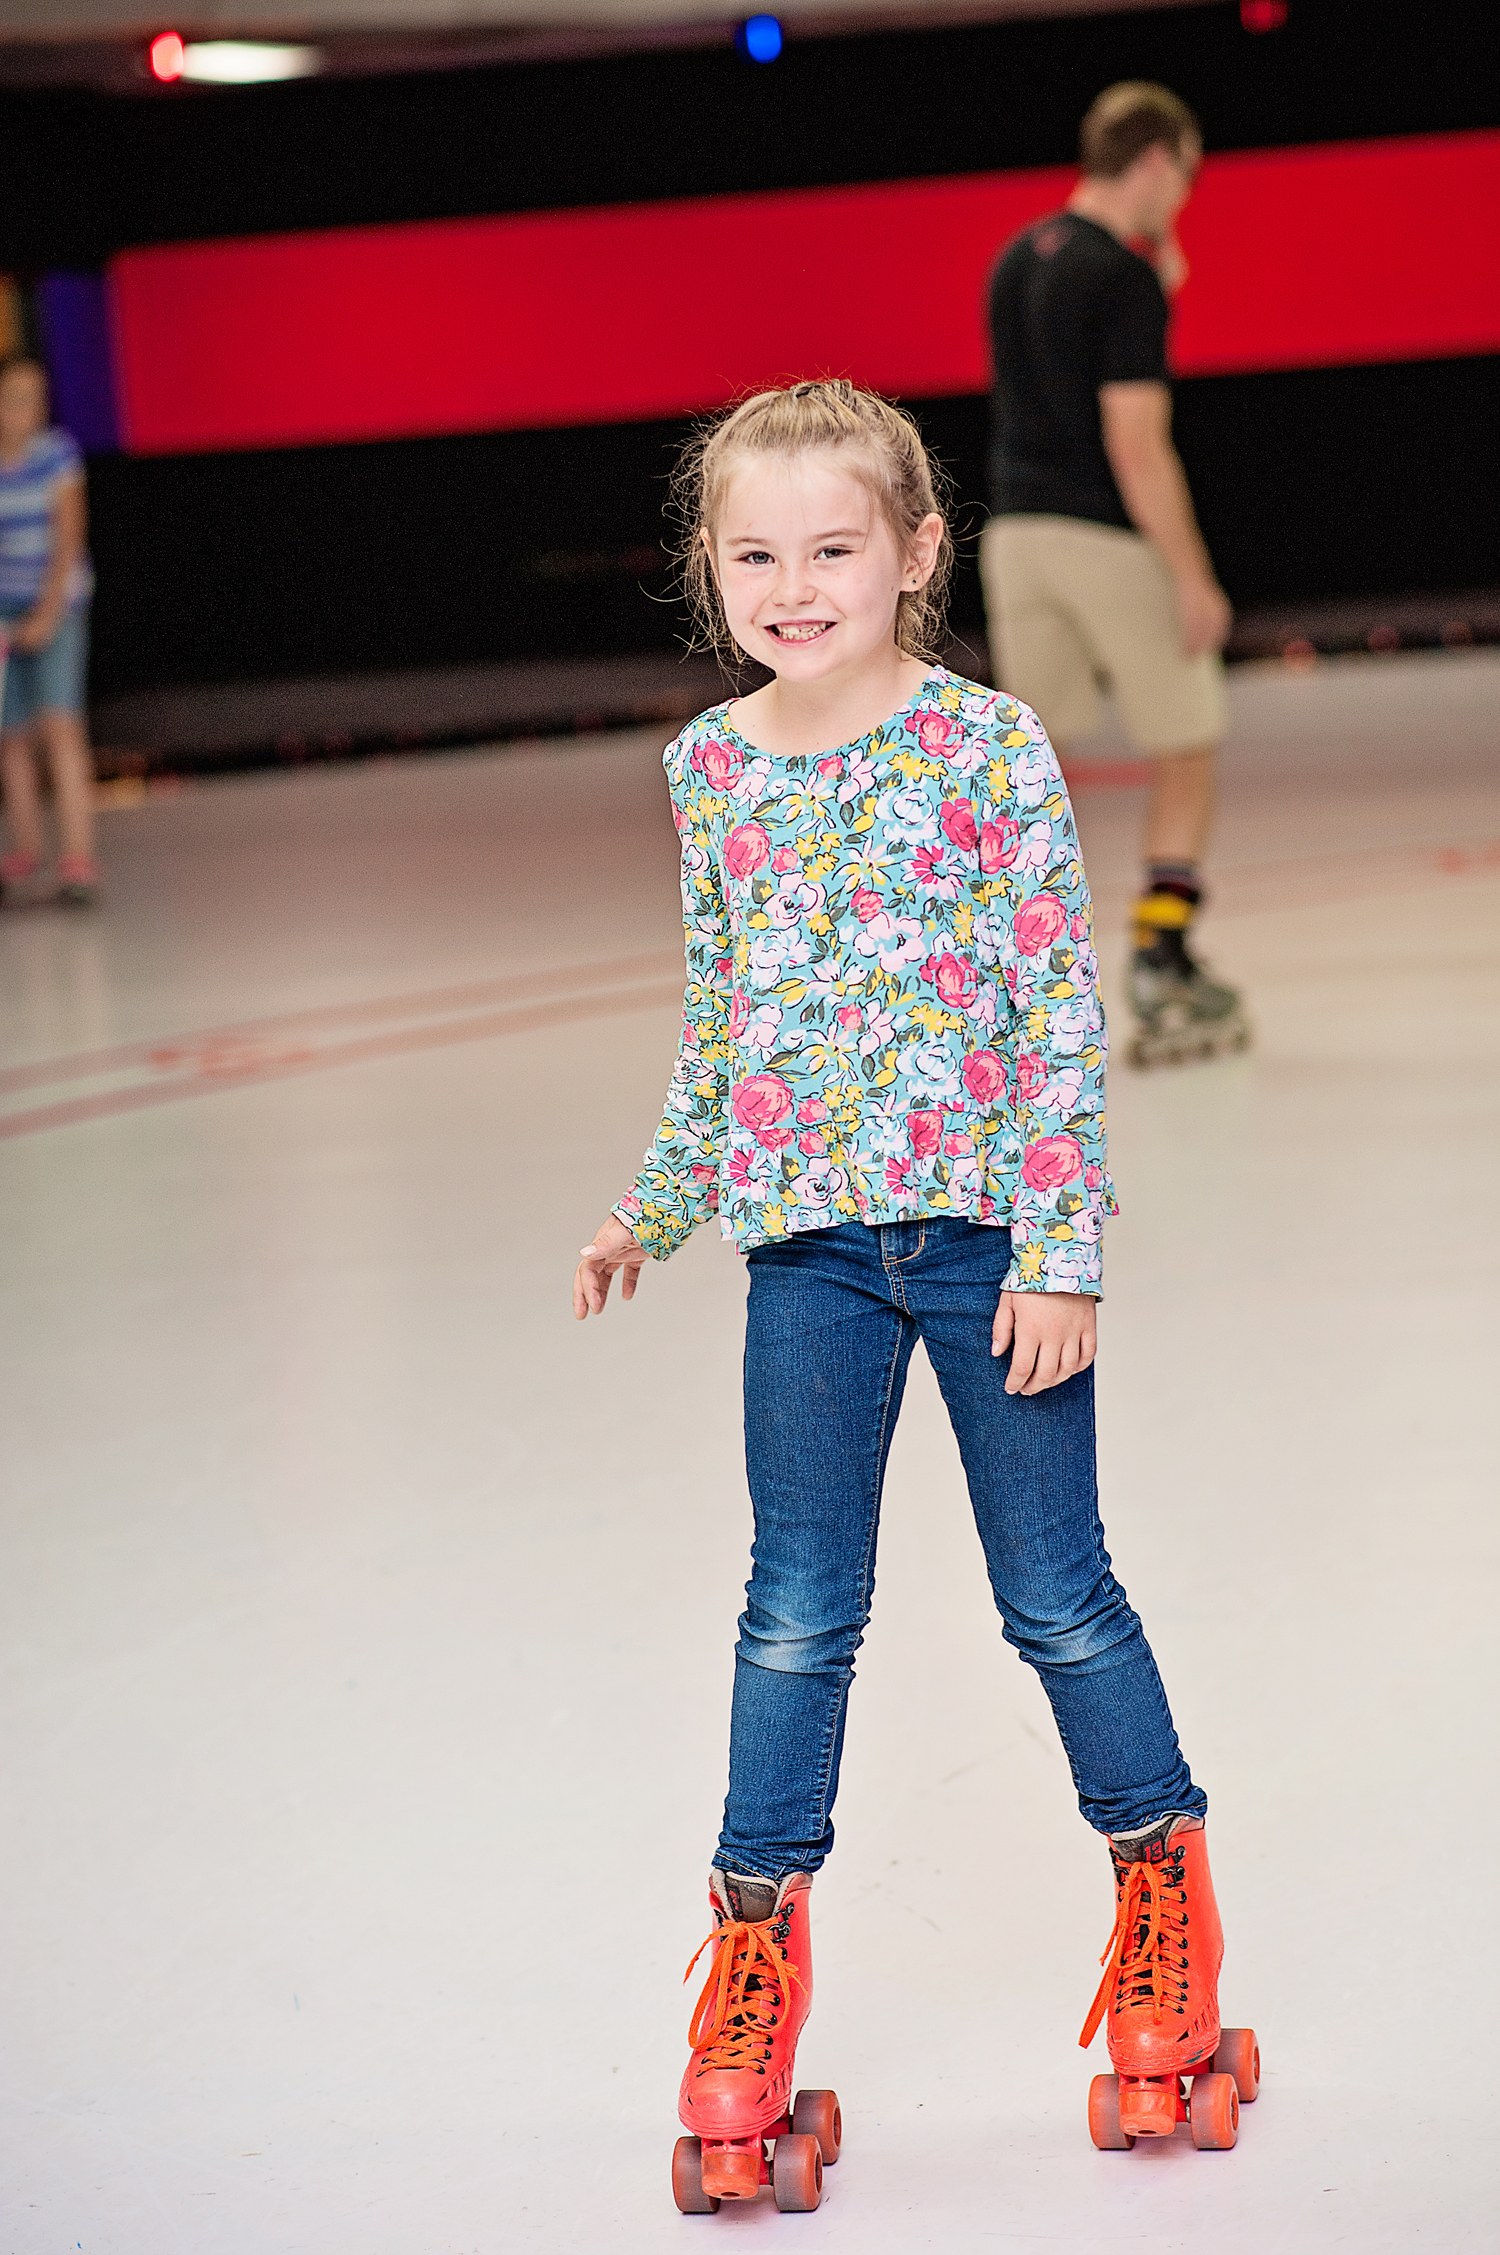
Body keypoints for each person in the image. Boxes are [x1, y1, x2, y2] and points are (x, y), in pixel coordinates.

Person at [573, 381, 1253, 2210]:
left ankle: (1161, 1896)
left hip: (979, 1251)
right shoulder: (709, 769)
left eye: (834, 549)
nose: (794, 586)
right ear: (712, 573)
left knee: (1056, 1595)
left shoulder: (989, 752)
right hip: (805, 1259)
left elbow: (1051, 1017)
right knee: (796, 1609)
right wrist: (653, 1205)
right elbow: (723, 1031)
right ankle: (751, 1965)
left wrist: (1062, 1252)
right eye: (754, 553)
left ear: (916, 555)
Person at [980, 82, 1249, 1069]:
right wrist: (1193, 575)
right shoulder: (1122, 279)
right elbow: (1136, 445)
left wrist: (1156, 290)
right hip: (1103, 537)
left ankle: (1005, 984)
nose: (1185, 196)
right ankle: (1161, 961)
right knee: (1187, 740)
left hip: (1015, 536)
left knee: (1035, 767)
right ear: (1158, 160)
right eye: (1187, 175)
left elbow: (1051, 379)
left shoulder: (1021, 256)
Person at [0, 353, 101, 907]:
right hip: (3, 608)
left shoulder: (56, 454)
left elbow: (69, 538)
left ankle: (78, 860)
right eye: (15, 398)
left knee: (60, 726)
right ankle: (25, 851)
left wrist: (45, 613)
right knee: (9, 736)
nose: (26, 411)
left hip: (58, 603)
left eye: (35, 399)